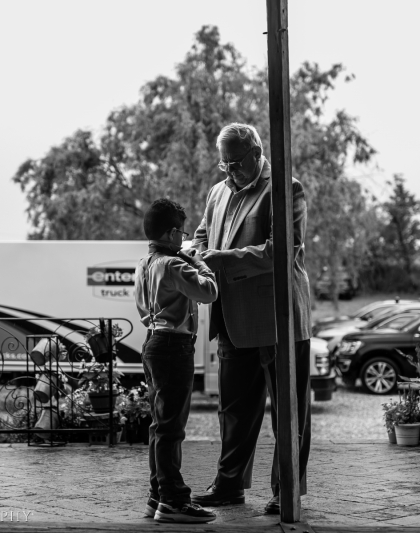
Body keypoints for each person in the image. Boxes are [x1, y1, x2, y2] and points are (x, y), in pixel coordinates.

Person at [187, 122, 312, 515]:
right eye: (224, 164)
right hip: (231, 317)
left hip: (279, 319)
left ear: (258, 153)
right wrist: (201, 252)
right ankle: (228, 487)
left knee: (289, 412)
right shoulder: (217, 191)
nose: (230, 171)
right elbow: (203, 234)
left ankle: (286, 490)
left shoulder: (286, 188)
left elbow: (281, 251)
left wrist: (224, 260)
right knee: (233, 412)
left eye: (236, 163)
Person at [134, 198, 219, 523]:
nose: (184, 239)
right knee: (171, 429)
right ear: (170, 234)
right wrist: (198, 262)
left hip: (153, 342)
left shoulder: (144, 263)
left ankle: (157, 496)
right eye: (182, 233)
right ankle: (173, 500)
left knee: (159, 426)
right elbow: (208, 292)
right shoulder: (174, 264)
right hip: (174, 346)